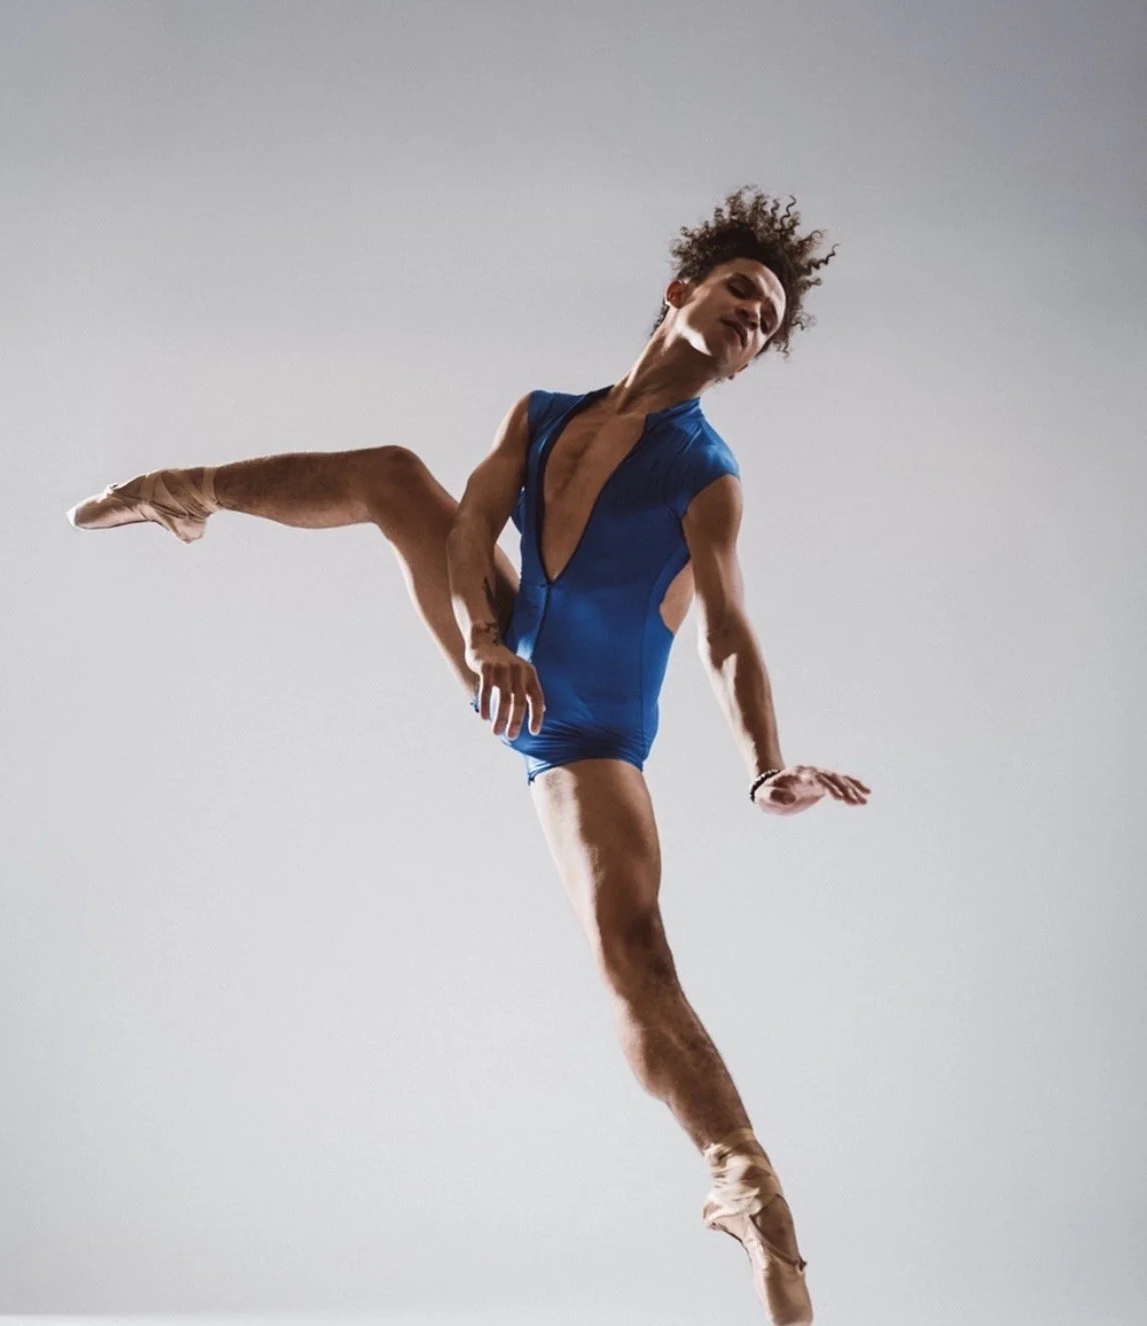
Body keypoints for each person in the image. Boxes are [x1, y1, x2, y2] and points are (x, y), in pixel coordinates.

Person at [68, 186, 870, 1326]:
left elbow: (730, 632)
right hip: (509, 648)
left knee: (634, 953)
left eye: (771, 322)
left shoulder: (708, 471)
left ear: (749, 364)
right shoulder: (543, 413)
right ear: (681, 292)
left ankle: (747, 1187)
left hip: (587, 726)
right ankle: (180, 494)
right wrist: (486, 636)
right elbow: (463, 532)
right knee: (396, 474)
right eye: (744, 291)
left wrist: (764, 763)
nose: (755, 317)